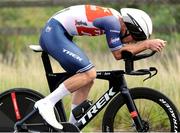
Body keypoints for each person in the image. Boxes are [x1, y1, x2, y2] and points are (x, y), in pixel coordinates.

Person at [34, 5, 166, 129]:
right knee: (89, 73)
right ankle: (47, 103)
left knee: (87, 79)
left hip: (60, 33)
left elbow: (124, 49)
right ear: (128, 28)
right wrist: (147, 44)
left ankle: (72, 127)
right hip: (53, 32)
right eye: (135, 38)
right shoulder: (113, 22)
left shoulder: (115, 19)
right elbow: (118, 54)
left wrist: (144, 46)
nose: (133, 42)